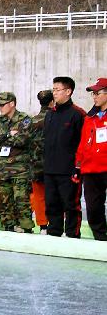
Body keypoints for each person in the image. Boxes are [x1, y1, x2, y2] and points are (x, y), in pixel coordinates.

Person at [42, 76, 87, 238]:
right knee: (51, 204)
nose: (54, 93)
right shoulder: (50, 115)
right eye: (53, 89)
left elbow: (84, 143)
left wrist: (78, 167)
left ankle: (72, 235)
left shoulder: (78, 114)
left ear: (68, 91)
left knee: (71, 205)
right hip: (50, 169)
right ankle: (54, 233)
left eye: (57, 90)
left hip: (69, 170)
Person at [0, 91, 35, 232]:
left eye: (3, 104)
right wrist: (8, 134)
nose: (0, 107)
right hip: (1, 168)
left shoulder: (24, 119)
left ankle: (26, 227)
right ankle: (9, 226)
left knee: (21, 199)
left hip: (19, 167)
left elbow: (22, 140)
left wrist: (3, 139)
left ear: (12, 103)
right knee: (4, 199)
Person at [76, 78, 107, 241]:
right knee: (93, 206)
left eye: (98, 93)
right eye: (93, 94)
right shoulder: (90, 117)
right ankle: (101, 238)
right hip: (91, 169)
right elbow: (83, 143)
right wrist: (78, 165)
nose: (94, 97)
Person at [29, 89, 55, 233]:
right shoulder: (55, 118)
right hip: (53, 165)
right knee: (55, 195)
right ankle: (56, 224)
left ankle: (43, 225)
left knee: (38, 197)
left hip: (35, 164)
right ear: (52, 101)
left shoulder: (32, 121)